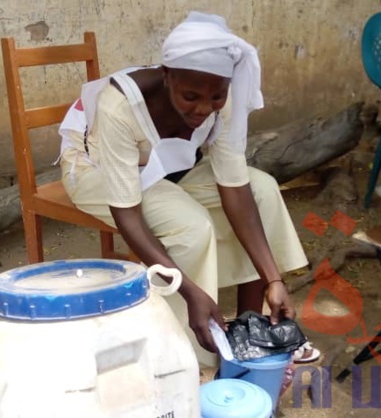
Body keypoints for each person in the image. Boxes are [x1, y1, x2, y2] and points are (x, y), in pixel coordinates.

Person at [55, 11, 321, 366]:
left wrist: (274, 279)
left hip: (168, 167)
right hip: (96, 168)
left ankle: (252, 331)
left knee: (263, 189)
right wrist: (190, 291)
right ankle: (181, 349)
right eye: (191, 96)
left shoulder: (222, 98)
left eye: (216, 97)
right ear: (167, 75)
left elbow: (235, 185)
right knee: (191, 226)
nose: (203, 109)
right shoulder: (120, 106)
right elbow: (127, 215)